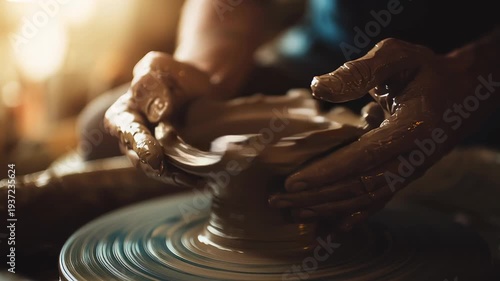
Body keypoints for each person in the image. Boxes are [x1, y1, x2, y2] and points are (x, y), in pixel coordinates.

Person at [104, 0, 500, 231]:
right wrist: (204, 72)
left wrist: (469, 78)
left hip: (472, 71)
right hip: (326, 54)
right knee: (109, 125)